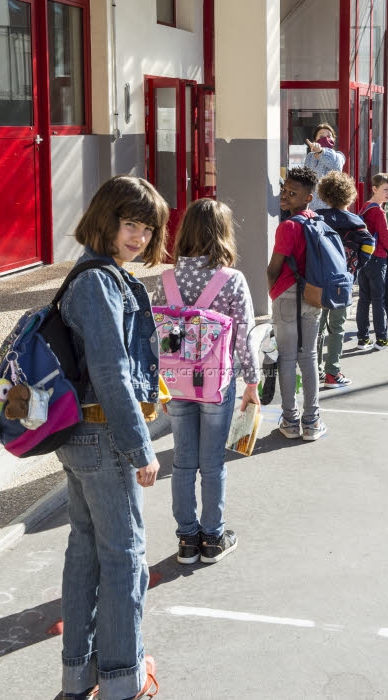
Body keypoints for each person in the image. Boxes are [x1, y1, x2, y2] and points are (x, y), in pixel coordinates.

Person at [55, 176, 169, 700]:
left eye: (146, 229)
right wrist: (140, 446)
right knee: (124, 556)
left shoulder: (91, 276)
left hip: (80, 435)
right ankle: (123, 680)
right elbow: (110, 371)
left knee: (87, 552)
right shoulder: (99, 282)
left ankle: (79, 678)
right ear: (106, 220)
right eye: (130, 225)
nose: (139, 237)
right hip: (103, 435)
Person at [152, 199, 260, 565]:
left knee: (183, 462)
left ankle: (186, 539)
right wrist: (252, 381)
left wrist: (157, 384)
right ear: (223, 234)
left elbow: (155, 336)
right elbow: (244, 333)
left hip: (177, 383)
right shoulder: (231, 280)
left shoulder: (166, 279)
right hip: (216, 383)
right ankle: (212, 538)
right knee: (212, 462)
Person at [267, 166, 327, 441]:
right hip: (312, 295)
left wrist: (273, 294)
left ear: (307, 197)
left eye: (292, 193)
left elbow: (273, 268)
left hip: (287, 295)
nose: (285, 196)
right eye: (284, 190)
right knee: (310, 357)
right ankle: (312, 421)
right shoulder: (318, 221)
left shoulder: (288, 226)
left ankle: (290, 421)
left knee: (288, 358)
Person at [315, 171, 375, 387]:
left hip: (318, 282)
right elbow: (368, 244)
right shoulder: (356, 221)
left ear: (324, 195)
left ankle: (316, 370)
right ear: (350, 196)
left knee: (318, 327)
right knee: (337, 327)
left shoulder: (317, 218)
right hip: (343, 282)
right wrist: (356, 265)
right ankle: (333, 373)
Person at [356, 173, 388, 351]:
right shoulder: (379, 211)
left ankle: (363, 339)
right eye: (385, 189)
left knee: (364, 299)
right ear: (374, 189)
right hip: (378, 258)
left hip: (364, 258)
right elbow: (385, 238)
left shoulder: (365, 207)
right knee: (379, 299)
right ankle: (381, 339)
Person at [304, 123, 345, 211]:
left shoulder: (339, 156)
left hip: (330, 208)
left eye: (329, 136)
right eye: (321, 136)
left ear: (333, 139)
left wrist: (321, 151)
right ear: (315, 140)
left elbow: (334, 164)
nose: (325, 138)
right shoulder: (310, 157)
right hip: (311, 208)